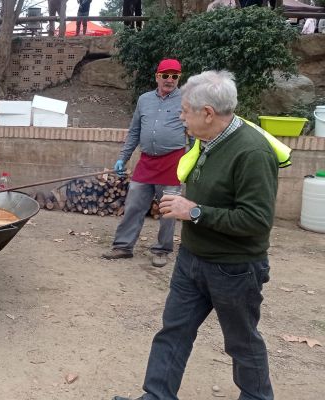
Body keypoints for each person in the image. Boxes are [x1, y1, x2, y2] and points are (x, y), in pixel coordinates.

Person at [113, 70, 278, 400]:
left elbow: (257, 220)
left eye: (186, 110)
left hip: (234, 268)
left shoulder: (252, 152)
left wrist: (195, 212)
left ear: (208, 113)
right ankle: (157, 396)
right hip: (192, 259)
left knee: (242, 343)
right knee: (173, 332)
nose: (180, 115)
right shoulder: (207, 141)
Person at [102, 59, 186, 268]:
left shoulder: (187, 100)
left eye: (174, 76)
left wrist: (193, 162)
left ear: (179, 78)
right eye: (165, 75)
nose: (169, 80)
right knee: (133, 205)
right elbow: (135, 131)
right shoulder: (144, 100)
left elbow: (193, 134)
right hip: (146, 161)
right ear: (157, 76)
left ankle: (162, 250)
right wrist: (124, 156)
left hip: (173, 162)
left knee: (168, 210)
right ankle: (123, 246)